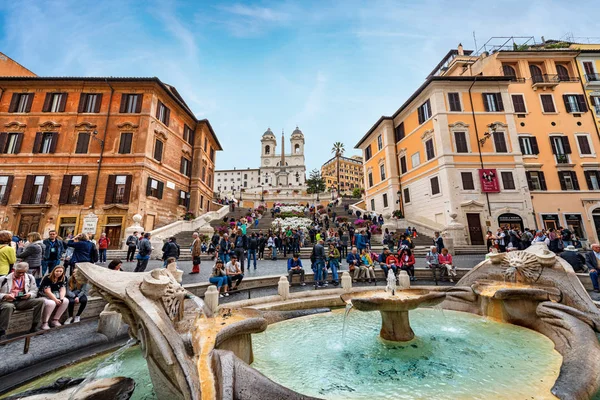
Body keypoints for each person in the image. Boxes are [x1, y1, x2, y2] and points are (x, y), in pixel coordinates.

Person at [0, 262, 45, 338]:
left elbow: (34, 290)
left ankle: (35, 326)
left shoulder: (30, 277)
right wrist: (5, 296)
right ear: (14, 269)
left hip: (22, 300)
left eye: (23, 273)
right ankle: (2, 332)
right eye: (19, 272)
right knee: (8, 307)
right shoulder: (3, 279)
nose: (21, 274)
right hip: (7, 301)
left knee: (41, 301)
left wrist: (29, 295)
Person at [39, 264, 69, 329]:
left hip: (56, 294)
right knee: (51, 303)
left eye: (60, 271)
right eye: (57, 271)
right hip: (44, 295)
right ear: (54, 271)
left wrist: (61, 298)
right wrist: (55, 300)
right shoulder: (48, 278)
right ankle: (45, 322)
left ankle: (55, 320)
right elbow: (47, 291)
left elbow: (62, 289)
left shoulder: (64, 278)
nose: (58, 273)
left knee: (65, 301)